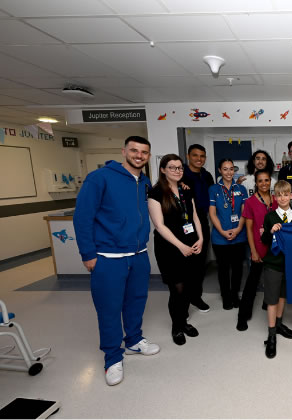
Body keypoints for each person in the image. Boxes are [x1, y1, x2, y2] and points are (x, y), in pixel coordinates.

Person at [73, 136, 160, 386]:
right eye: (134, 150)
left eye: (144, 152)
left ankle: (133, 340)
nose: (139, 155)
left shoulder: (143, 181)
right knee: (109, 309)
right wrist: (87, 254)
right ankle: (112, 358)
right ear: (124, 152)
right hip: (108, 257)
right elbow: (82, 217)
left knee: (136, 301)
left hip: (138, 255)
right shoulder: (100, 178)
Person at [148, 154, 204, 346]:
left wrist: (201, 238)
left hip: (191, 245)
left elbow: (195, 216)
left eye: (180, 168)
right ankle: (177, 326)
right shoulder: (155, 193)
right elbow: (159, 225)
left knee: (189, 287)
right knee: (177, 289)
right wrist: (180, 246)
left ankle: (184, 321)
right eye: (172, 168)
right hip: (170, 249)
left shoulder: (185, 190)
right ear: (163, 170)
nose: (177, 171)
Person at [259, 180, 292, 358]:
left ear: (291, 196)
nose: (283, 198)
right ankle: (271, 334)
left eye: (286, 194)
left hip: (290, 265)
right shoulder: (270, 217)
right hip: (273, 265)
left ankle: (279, 323)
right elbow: (264, 242)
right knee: (272, 298)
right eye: (279, 195)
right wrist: (271, 232)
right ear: (275, 197)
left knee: (283, 295)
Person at [236, 169, 278, 331]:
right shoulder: (250, 202)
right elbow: (249, 229)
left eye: (266, 180)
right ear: (256, 183)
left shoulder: (275, 201)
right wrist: (253, 251)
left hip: (273, 249)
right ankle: (242, 316)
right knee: (252, 283)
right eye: (260, 181)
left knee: (271, 280)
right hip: (258, 248)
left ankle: (267, 304)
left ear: (270, 182)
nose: (264, 183)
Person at [209, 158, 248, 310]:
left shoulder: (241, 189)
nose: (229, 172)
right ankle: (226, 297)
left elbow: (245, 212)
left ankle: (234, 295)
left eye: (231, 169)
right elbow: (212, 214)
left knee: (238, 268)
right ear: (220, 170)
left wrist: (238, 229)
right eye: (225, 169)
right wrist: (223, 232)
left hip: (239, 235)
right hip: (220, 237)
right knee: (223, 269)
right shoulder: (213, 189)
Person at [182, 144, 214, 312]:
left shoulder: (207, 176)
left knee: (200, 263)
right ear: (188, 156)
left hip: (202, 219)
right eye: (195, 155)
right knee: (187, 265)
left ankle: (196, 297)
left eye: (202, 156)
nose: (199, 159)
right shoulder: (181, 174)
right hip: (185, 222)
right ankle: (184, 304)